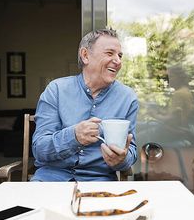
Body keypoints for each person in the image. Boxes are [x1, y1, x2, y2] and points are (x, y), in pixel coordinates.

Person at [31, 28, 139, 181]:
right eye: (110, 53)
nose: (118, 61)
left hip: (100, 181)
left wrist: (122, 160)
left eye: (120, 55)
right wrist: (74, 136)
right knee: (33, 206)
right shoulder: (56, 90)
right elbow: (40, 149)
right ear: (85, 55)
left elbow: (131, 151)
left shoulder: (127, 98)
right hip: (51, 179)